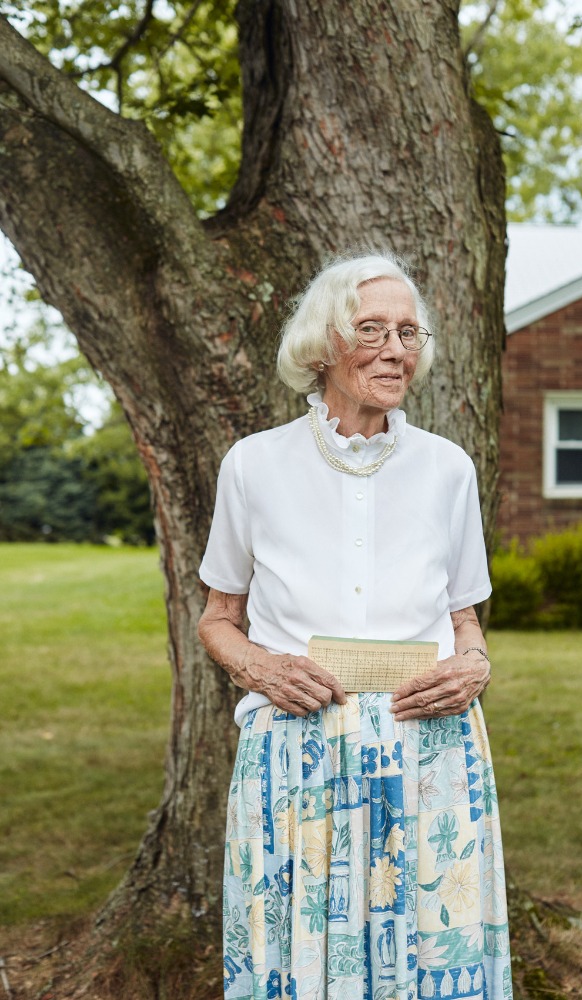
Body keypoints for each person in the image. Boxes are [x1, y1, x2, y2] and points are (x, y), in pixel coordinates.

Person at [198, 252, 512, 1000]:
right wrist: (260, 668)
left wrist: (474, 665)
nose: (396, 349)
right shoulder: (253, 465)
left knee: (432, 961)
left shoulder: (448, 469)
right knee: (301, 961)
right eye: (372, 329)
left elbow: (465, 618)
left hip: (430, 749)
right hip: (297, 754)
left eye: (408, 333)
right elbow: (219, 618)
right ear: (323, 345)